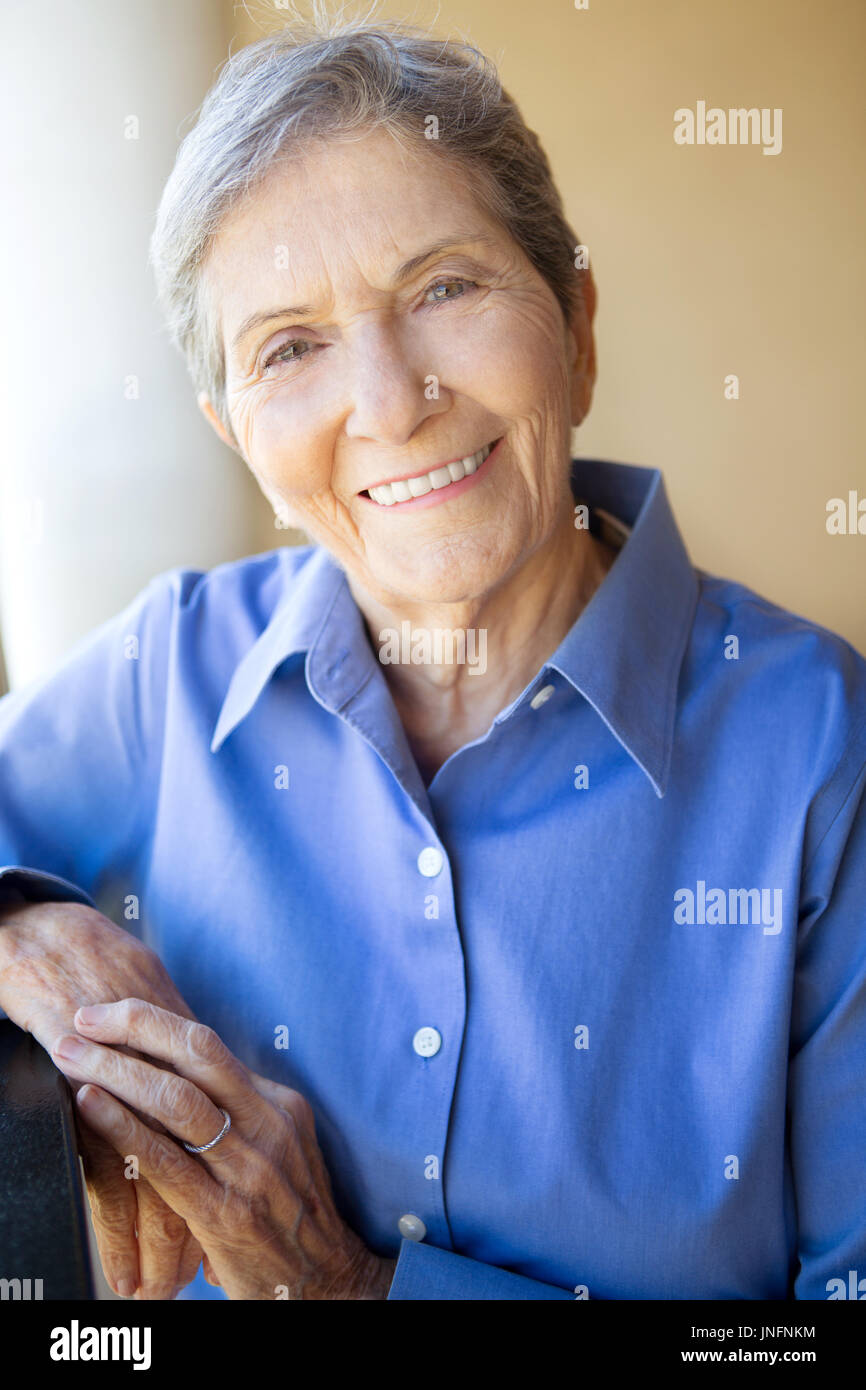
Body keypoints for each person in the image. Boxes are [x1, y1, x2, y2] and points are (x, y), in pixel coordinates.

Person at [1, 13, 864, 1301]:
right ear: (239, 435)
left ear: (574, 323)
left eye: (444, 289)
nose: (394, 403)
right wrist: (22, 926)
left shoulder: (816, 747)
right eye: (289, 347)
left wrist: (356, 1289)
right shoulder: (163, 675)